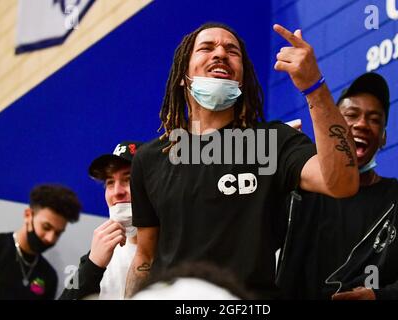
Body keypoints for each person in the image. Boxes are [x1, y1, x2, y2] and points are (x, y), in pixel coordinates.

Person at [125, 22, 360, 299]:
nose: (221, 53)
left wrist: (314, 87)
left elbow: (342, 183)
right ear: (181, 76)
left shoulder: (273, 140)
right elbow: (145, 257)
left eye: (231, 50)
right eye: (207, 47)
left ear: (242, 78)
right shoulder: (149, 159)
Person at [277, 72, 398, 300]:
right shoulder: (298, 191)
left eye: (374, 119)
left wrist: (379, 297)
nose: (362, 124)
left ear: (383, 137)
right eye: (351, 115)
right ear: (331, 127)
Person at [59, 141, 143, 300]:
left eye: (128, 179)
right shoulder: (99, 253)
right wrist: (92, 265)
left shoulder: (176, 250)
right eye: (110, 182)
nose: (117, 192)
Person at [0, 184, 81, 300]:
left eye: (58, 233)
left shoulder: (49, 276)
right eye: (46, 227)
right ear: (28, 215)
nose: (50, 238)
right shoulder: (0, 247)